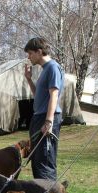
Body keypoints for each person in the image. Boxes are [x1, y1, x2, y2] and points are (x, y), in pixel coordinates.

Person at [24, 37, 64, 180]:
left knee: (45, 163)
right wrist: (29, 79)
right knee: (37, 161)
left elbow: (54, 95)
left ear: (39, 52)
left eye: (30, 53)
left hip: (45, 119)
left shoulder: (53, 67)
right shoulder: (45, 70)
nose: (29, 57)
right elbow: (39, 98)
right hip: (39, 117)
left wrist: (48, 121)